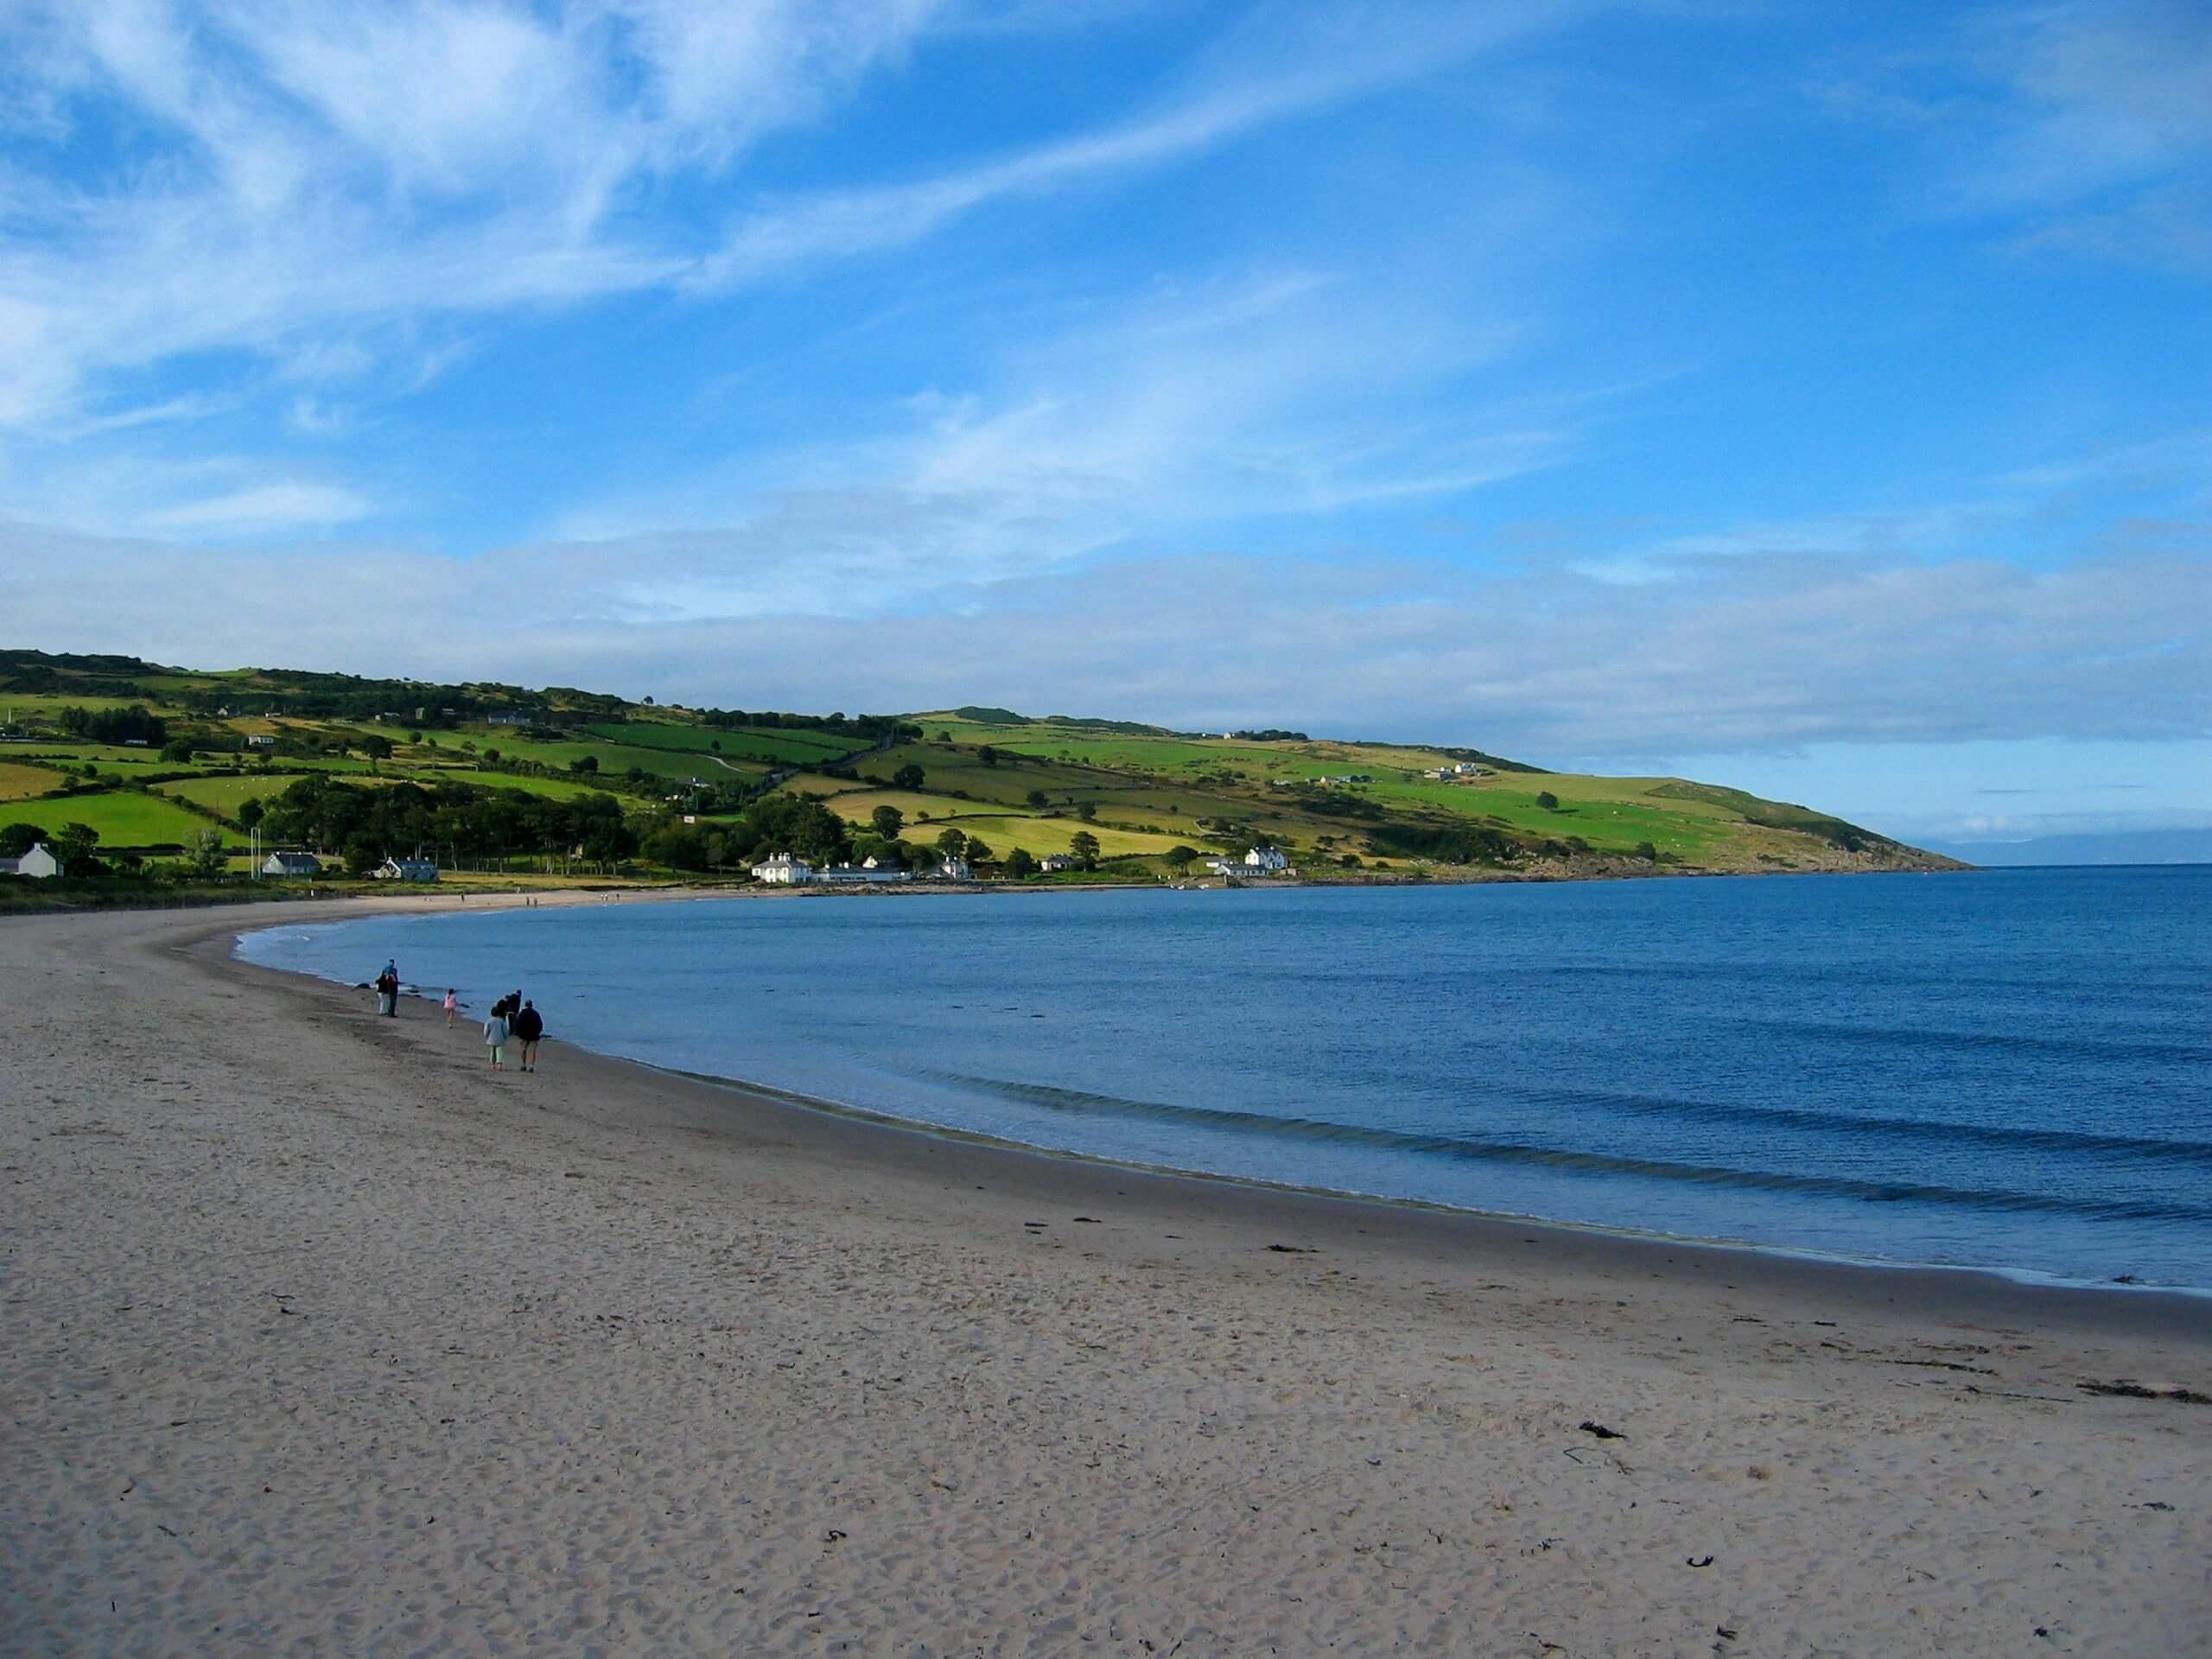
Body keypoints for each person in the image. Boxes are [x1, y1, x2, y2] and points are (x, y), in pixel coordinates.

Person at [512, 999, 543, 1072]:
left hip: (524, 1035)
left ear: (525, 1005)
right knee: (532, 1051)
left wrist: (518, 1033)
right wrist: (538, 1032)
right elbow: (540, 1024)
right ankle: (531, 1066)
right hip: (534, 1035)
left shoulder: (522, 1013)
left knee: (523, 1050)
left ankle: (523, 1065)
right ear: (532, 1005)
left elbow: (518, 1023)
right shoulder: (536, 1013)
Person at [484, 1006, 510, 1071]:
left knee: (492, 1052)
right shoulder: (502, 1021)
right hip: (501, 1039)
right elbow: (505, 1031)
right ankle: (500, 1065)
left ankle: (493, 1065)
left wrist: (486, 1037)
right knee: (500, 1052)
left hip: (491, 1039)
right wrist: (506, 1037)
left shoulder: (489, 1021)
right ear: (499, 1013)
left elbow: (486, 1031)